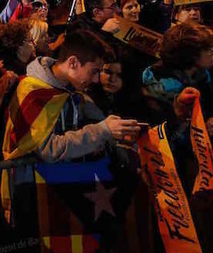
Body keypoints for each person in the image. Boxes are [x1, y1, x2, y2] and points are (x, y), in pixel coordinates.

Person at [21, 30, 140, 162]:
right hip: (35, 180)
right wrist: (102, 131)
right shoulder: (33, 91)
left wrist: (115, 136)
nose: (96, 80)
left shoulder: (72, 89)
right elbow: (48, 149)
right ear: (72, 63)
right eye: (93, 72)